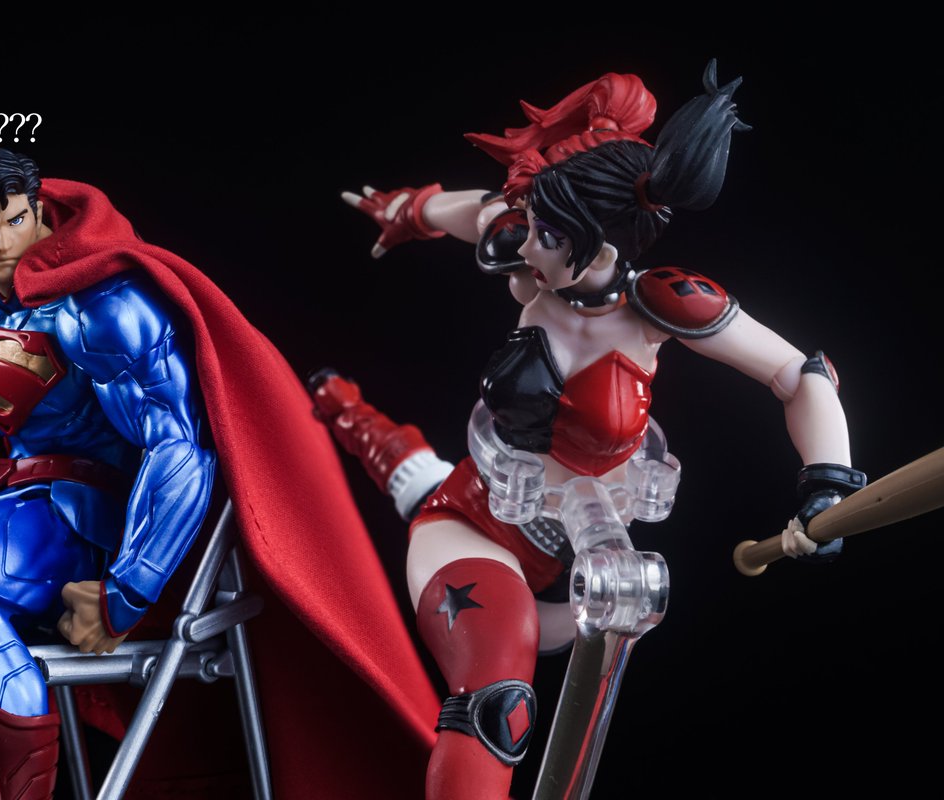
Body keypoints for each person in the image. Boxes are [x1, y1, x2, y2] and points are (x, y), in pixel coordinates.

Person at [0, 148, 441, 800]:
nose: (2, 241)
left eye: (15, 219)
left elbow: (177, 447)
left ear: (37, 212)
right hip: (3, 508)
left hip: (90, 518)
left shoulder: (99, 304)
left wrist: (130, 587)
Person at [319, 62, 867, 800]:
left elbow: (800, 374)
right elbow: (473, 211)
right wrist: (406, 210)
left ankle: (353, 417)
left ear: (602, 248)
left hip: (576, 566)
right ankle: (344, 411)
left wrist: (827, 481)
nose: (524, 247)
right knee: (497, 703)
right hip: (475, 522)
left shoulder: (662, 310)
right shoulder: (530, 253)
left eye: (546, 234)